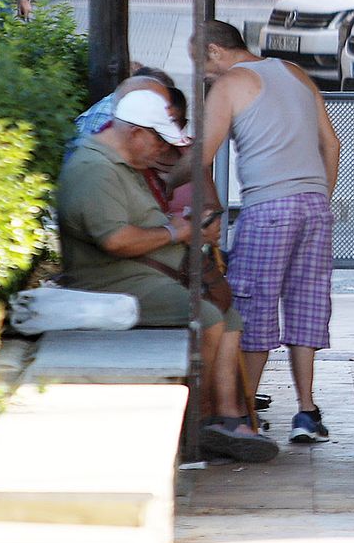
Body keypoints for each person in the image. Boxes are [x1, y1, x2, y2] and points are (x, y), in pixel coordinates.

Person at [57, 90, 276, 463]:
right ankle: (194, 420)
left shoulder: (122, 164)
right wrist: (178, 233)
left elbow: (141, 225)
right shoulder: (95, 169)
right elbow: (116, 241)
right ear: (134, 132)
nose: (160, 149)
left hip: (144, 273)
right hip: (113, 283)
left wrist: (182, 227)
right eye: (157, 138)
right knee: (205, 316)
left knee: (227, 311)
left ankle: (224, 417)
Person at [194, 19, 341, 445]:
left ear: (216, 52)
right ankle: (307, 412)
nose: (202, 76)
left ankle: (242, 415)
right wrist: (318, 195)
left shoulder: (230, 85)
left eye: (200, 64)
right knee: (307, 306)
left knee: (252, 307)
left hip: (268, 207)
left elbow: (204, 154)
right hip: (315, 205)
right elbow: (331, 144)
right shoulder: (294, 72)